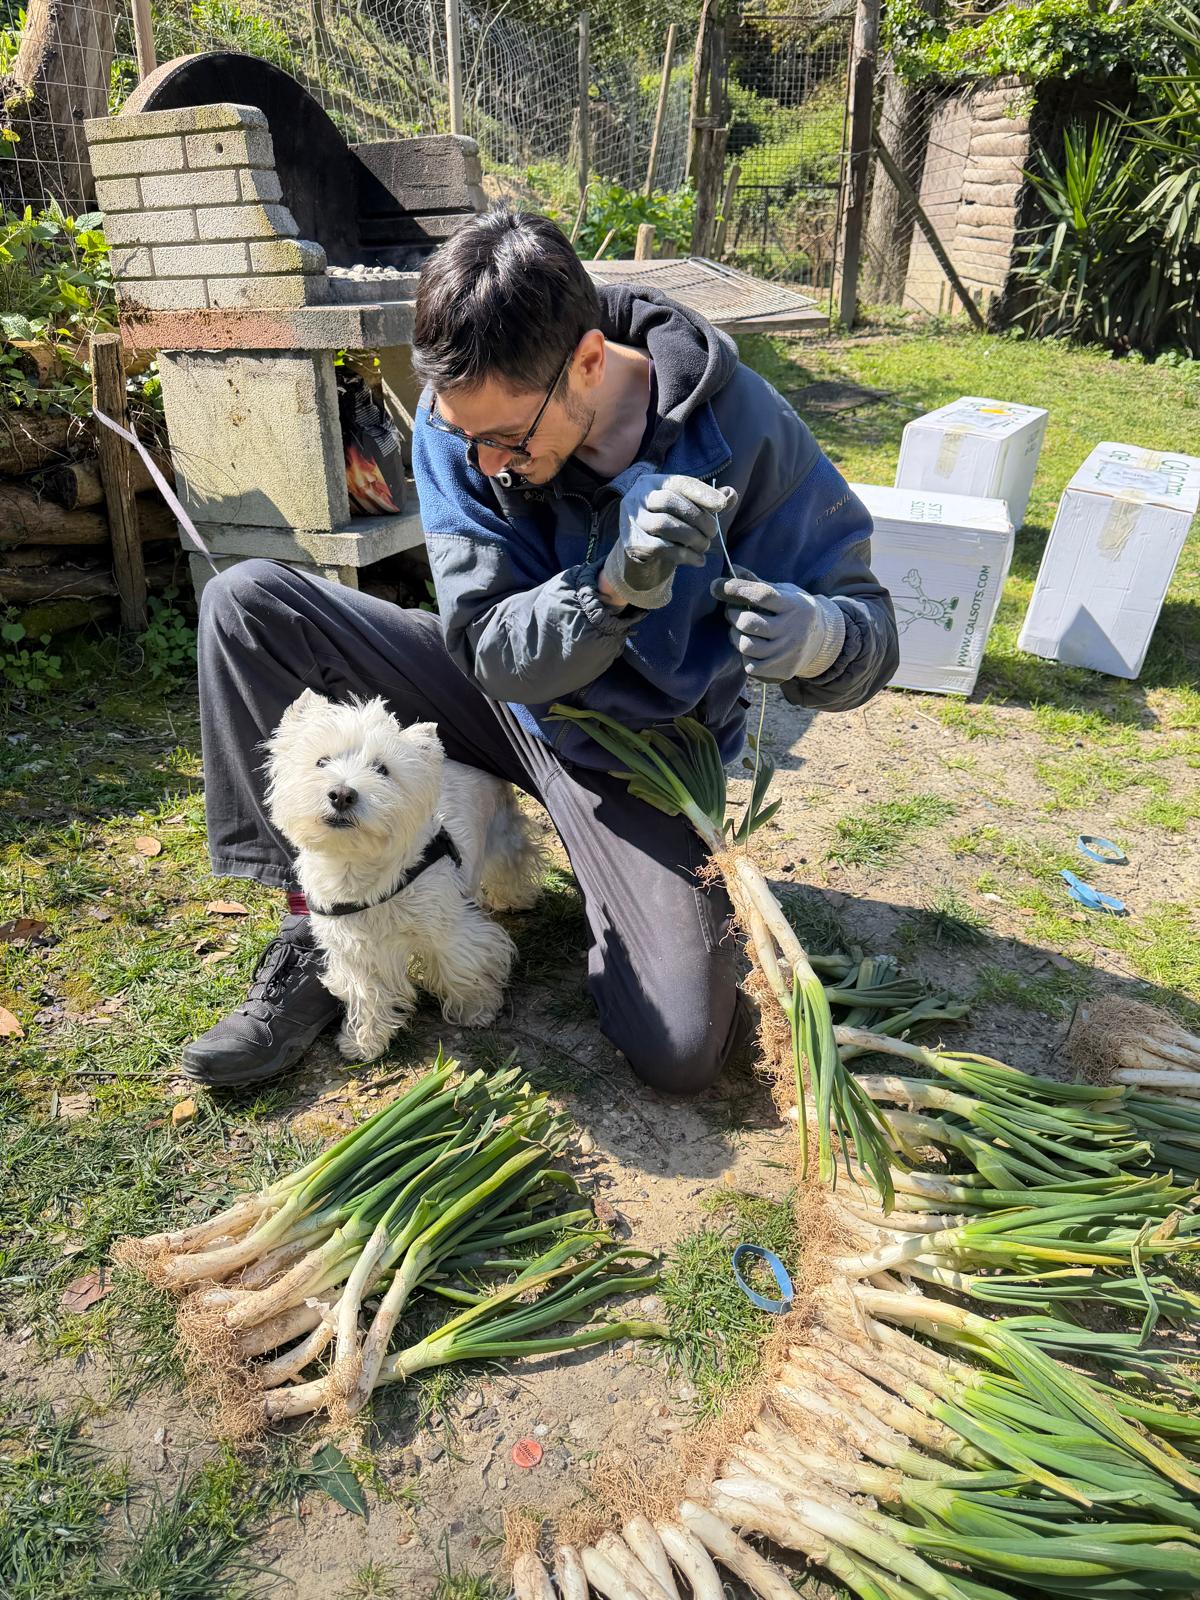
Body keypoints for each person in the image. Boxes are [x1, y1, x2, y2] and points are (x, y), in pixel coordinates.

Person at [183, 210, 898, 1093]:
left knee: (681, 1047)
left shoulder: (744, 431)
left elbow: (869, 623)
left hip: (635, 754)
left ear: (590, 362)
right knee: (248, 603)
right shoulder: (463, 419)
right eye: (465, 437)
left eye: (510, 441)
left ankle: (625, 888)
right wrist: (607, 590)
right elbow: (486, 644)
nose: (486, 465)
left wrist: (822, 637)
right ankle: (314, 924)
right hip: (495, 696)